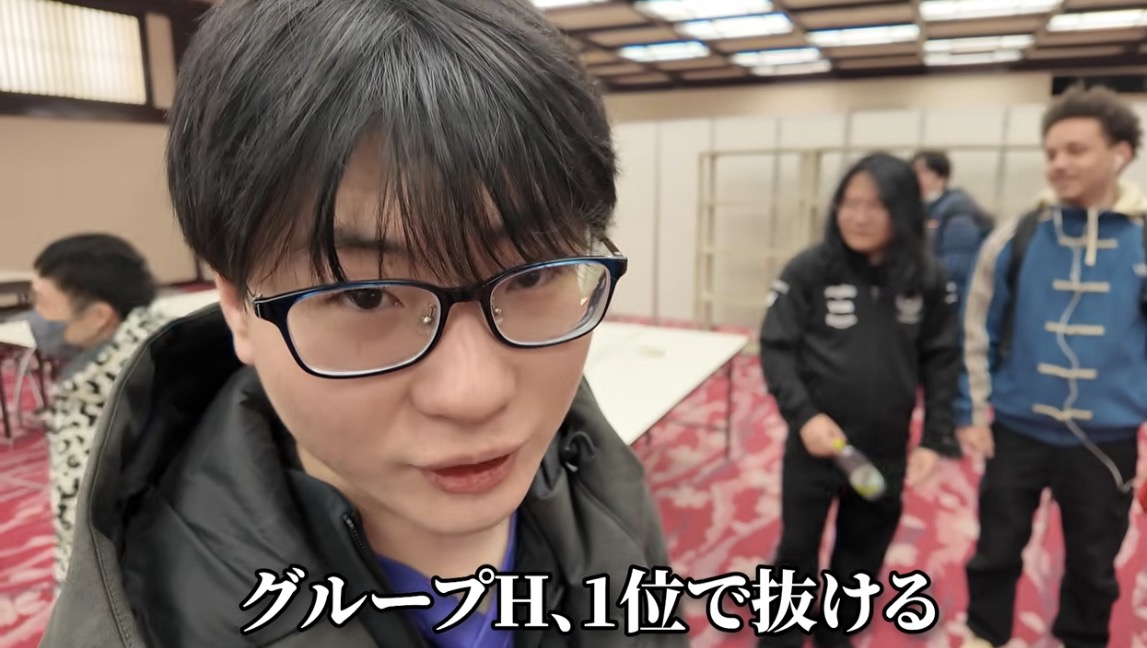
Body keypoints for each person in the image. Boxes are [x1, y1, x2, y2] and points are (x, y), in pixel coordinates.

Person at [39, 2, 682, 647]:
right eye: (367, 296)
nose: (474, 394)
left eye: (532, 277)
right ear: (238, 306)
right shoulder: (146, 626)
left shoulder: (602, 479)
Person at [956, 84, 1147, 648]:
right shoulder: (1015, 238)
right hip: (1016, 431)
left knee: (1093, 564)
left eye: (1076, 150)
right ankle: (985, 635)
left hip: (1107, 440)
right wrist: (971, 410)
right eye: (1052, 152)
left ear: (1120, 153)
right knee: (995, 548)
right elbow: (975, 331)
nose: (1058, 163)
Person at [758, 152, 961, 648]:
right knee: (796, 552)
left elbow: (941, 361)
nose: (859, 216)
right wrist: (804, 416)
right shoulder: (809, 269)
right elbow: (776, 347)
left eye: (876, 205)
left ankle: (837, 637)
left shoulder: (927, 279)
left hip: (883, 449)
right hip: (815, 445)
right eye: (849, 203)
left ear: (903, 209)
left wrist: (935, 437)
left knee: (861, 556)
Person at [26, 233, 170, 586]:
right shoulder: (95, 374)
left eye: (43, 302)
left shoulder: (131, 395)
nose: (34, 316)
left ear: (98, 316)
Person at [912, 150, 993, 299]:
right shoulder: (921, 209)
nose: (916, 178)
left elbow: (958, 267)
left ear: (942, 178)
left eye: (923, 172)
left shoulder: (958, 213)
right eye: (913, 172)